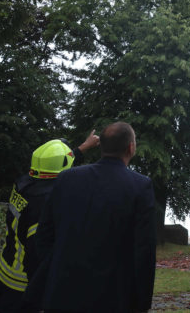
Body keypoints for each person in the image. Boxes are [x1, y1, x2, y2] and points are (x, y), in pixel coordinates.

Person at [28, 121, 156, 313]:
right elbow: (144, 252)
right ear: (131, 147)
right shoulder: (140, 186)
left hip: (62, 294)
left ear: (101, 146)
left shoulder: (66, 178)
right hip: (111, 299)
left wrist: (58, 272)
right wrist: (142, 303)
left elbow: (44, 236)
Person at [0, 132, 100, 313]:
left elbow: (58, 165)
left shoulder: (24, 182)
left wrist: (83, 147)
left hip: (5, 270)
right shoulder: (44, 205)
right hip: (22, 284)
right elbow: (37, 255)